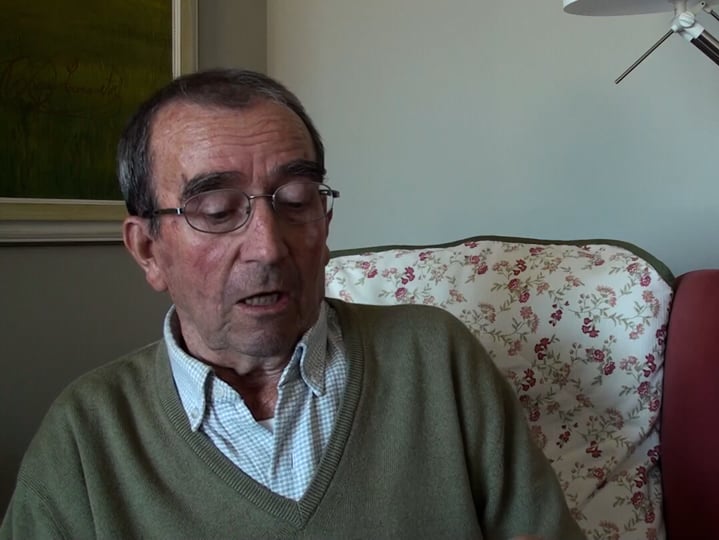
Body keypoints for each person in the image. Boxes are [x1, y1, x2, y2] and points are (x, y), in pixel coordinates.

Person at [0, 69, 583, 539]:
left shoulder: (435, 358)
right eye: (218, 210)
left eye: (296, 200)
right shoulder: (87, 434)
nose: (268, 246)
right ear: (148, 250)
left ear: (325, 224)